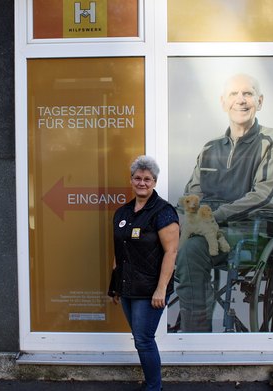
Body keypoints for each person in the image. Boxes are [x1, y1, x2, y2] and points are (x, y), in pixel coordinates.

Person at [175, 73, 273, 332]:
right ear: (223, 102)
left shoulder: (271, 141)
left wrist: (216, 215)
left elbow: (264, 195)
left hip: (249, 232)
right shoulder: (210, 148)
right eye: (234, 94)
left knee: (191, 250)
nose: (241, 100)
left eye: (247, 93)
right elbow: (192, 192)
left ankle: (195, 336)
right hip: (207, 229)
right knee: (157, 239)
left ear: (260, 100)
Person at [108, 155, 179, 391]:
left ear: (155, 182)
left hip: (150, 289)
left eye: (147, 179)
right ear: (131, 180)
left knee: (144, 340)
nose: (142, 183)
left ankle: (153, 387)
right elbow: (119, 251)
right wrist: (115, 286)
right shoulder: (123, 212)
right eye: (138, 178)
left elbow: (171, 252)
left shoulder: (164, 212)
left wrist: (161, 289)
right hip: (128, 286)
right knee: (141, 339)